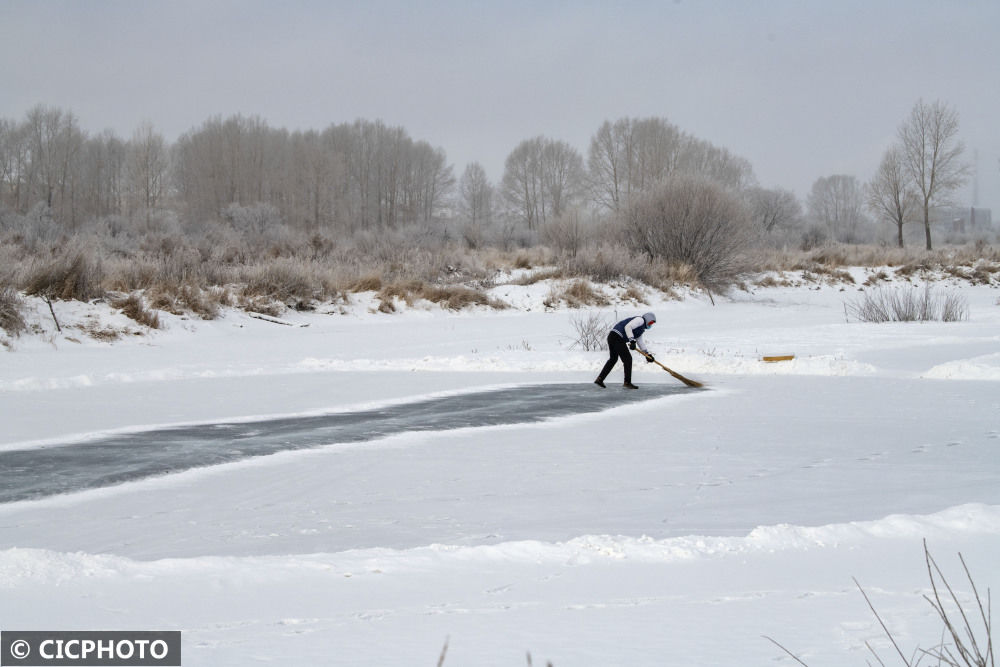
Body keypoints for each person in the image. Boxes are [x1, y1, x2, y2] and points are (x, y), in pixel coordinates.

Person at [595, 312, 656, 389]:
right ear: (647, 319)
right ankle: (627, 382)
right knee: (628, 359)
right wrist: (632, 340)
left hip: (612, 336)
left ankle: (599, 379)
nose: (650, 325)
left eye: (652, 324)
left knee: (613, 359)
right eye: (650, 322)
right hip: (617, 336)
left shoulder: (640, 329)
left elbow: (640, 342)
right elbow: (628, 327)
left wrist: (647, 354)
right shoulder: (640, 320)